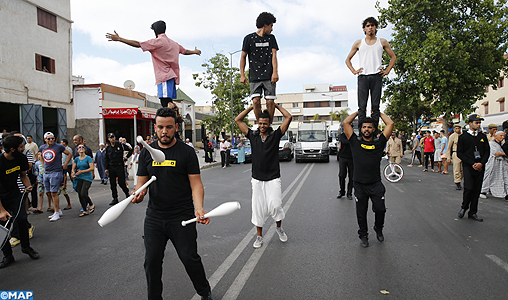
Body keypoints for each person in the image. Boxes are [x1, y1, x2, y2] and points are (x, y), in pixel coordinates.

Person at [132, 107, 212, 300]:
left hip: (181, 216)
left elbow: (196, 183)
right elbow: (141, 182)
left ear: (176, 127)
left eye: (168, 127)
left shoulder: (186, 152)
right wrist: (139, 193)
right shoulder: (146, 153)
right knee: (151, 261)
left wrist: (199, 208)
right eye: (160, 127)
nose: (164, 131)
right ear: (155, 127)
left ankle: (204, 291)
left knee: (189, 258)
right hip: (155, 216)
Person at [106, 21, 201, 108]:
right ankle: (172, 118)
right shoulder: (174, 44)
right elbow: (185, 51)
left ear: (155, 30)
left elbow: (138, 44)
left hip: (164, 76)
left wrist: (120, 39)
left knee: (165, 103)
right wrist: (195, 51)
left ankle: (170, 119)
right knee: (169, 101)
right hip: (172, 77)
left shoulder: (157, 42)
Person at [235, 103, 292, 249]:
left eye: (265, 123)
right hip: (257, 179)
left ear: (269, 124)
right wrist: (251, 108)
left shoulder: (275, 136)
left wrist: (276, 105)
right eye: (260, 123)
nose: (262, 126)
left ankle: (279, 228)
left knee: (276, 205)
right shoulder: (252, 136)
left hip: (273, 178)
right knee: (258, 208)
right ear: (257, 123)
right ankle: (259, 237)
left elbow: (288, 117)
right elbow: (238, 120)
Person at [343, 111, 394, 248]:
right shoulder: (354, 142)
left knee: (380, 210)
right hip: (359, 184)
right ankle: (363, 235)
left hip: (375, 184)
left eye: (369, 127)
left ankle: (378, 228)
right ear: (361, 129)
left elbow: (390, 124)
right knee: (361, 213)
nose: (367, 129)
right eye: (364, 127)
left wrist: (378, 112)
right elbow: (346, 123)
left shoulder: (379, 143)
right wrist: (359, 111)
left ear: (374, 129)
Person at [345, 17, 396, 128]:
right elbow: (347, 59)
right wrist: (354, 71)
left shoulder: (382, 41)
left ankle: (375, 130)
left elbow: (393, 57)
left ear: (376, 27)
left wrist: (387, 71)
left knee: (375, 106)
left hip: (376, 76)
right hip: (363, 76)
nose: (370, 28)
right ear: (364, 29)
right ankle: (361, 132)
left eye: (372, 25)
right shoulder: (359, 43)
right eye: (368, 26)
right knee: (362, 107)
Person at [0, 135, 39, 268]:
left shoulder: (20, 158)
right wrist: (1, 210)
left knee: (22, 219)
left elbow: (23, 175)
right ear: (12, 149)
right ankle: (8, 255)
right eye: (21, 146)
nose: (23, 148)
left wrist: (27, 186)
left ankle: (26, 247)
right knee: (3, 226)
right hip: (1, 198)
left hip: (15, 194)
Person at [240, 12, 279, 120]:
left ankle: (269, 125)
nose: (272, 29)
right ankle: (260, 124)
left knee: (270, 102)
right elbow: (243, 57)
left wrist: (275, 72)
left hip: (269, 75)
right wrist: (242, 74)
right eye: (271, 26)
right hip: (254, 75)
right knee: (256, 101)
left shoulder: (271, 38)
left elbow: (274, 56)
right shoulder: (248, 38)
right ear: (265, 25)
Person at [457, 114, 490, 222]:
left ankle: (473, 212)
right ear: (470, 124)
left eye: (480, 122)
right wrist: (472, 163)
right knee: (469, 188)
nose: (479, 125)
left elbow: (487, 152)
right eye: (477, 122)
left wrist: (481, 163)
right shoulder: (463, 137)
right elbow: (460, 153)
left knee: (477, 190)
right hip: (469, 166)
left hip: (480, 167)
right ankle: (464, 207)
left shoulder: (482, 137)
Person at [39, 132, 72, 222]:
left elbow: (69, 153)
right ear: (45, 139)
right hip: (47, 172)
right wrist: (43, 165)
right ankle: (57, 210)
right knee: (49, 193)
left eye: (52, 138)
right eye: (49, 138)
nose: (51, 140)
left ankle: (56, 211)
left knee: (54, 192)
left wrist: (65, 164)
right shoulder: (42, 147)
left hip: (56, 172)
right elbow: (40, 156)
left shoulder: (59, 147)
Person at [104, 133, 133, 206]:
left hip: (119, 166)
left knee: (121, 182)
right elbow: (106, 158)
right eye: (111, 138)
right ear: (109, 139)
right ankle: (115, 198)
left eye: (113, 137)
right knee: (112, 184)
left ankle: (127, 193)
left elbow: (130, 149)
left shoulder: (120, 145)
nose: (112, 139)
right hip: (111, 167)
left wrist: (126, 157)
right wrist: (106, 168)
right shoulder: (108, 148)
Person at [480, 131, 508, 199]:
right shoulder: (491, 144)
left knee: (505, 177)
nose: (502, 137)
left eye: (503, 136)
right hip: (493, 162)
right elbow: (496, 154)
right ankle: (483, 191)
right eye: (501, 135)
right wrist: (504, 154)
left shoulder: (502, 144)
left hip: (502, 163)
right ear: (495, 136)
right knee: (489, 176)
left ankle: (506, 193)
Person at [71, 145, 95, 217]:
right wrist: (72, 173)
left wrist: (82, 171)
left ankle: (91, 204)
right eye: (79, 148)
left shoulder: (88, 158)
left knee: (83, 193)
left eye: (83, 147)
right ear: (77, 150)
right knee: (79, 194)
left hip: (87, 178)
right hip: (79, 178)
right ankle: (84, 210)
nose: (81, 148)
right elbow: (73, 168)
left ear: (85, 150)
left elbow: (92, 168)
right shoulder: (76, 159)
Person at [337, 131, 354, 200]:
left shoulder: (354, 135)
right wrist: (351, 141)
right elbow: (344, 141)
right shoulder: (342, 135)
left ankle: (349, 193)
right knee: (341, 175)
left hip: (352, 158)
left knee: (351, 176)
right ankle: (342, 191)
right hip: (343, 157)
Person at [447, 124, 464, 190]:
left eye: (459, 128)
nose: (458, 130)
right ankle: (457, 183)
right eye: (456, 128)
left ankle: (460, 179)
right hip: (455, 153)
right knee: (457, 169)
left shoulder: (463, 135)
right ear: (454, 129)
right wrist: (449, 157)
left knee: (462, 170)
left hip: (463, 153)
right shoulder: (452, 136)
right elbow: (449, 148)